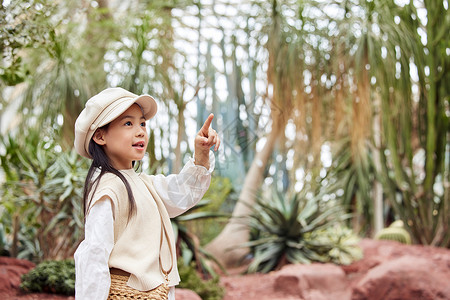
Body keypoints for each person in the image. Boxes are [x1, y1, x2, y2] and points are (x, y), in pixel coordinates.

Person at [73, 87, 220, 299]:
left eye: (142, 123)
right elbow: (94, 256)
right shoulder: (108, 188)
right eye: (128, 123)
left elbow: (182, 193)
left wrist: (202, 154)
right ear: (100, 136)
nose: (141, 130)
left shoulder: (144, 184)